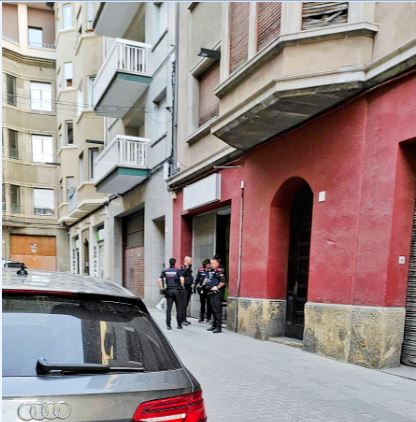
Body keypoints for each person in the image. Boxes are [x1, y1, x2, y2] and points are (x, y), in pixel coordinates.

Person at [157, 258, 185, 330]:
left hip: (169, 291)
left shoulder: (165, 271)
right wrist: (182, 286)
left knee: (168, 309)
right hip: (177, 291)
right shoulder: (177, 270)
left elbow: (159, 280)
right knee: (179, 308)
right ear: (175, 263)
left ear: (169, 263)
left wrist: (162, 289)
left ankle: (168, 325)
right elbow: (182, 279)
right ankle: (179, 325)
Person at [205, 256, 226, 333]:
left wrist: (217, 287)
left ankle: (218, 327)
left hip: (217, 293)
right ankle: (214, 325)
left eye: (213, 263)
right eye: (211, 263)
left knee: (217, 311)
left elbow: (222, 282)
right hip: (211, 293)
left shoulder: (219, 271)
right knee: (213, 310)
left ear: (217, 263)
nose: (211, 264)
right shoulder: (212, 271)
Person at [194, 258, 212, 323]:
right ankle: (201, 317)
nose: (209, 265)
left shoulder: (211, 270)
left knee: (209, 304)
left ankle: (208, 317)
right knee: (202, 303)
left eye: (209, 264)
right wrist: (194, 286)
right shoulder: (201, 270)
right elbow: (197, 278)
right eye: (208, 264)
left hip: (209, 289)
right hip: (202, 289)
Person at [180, 256, 194, 325]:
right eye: (190, 260)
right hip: (184, 289)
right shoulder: (183, 268)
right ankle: (182, 320)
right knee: (183, 304)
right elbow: (181, 275)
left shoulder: (189, 268)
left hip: (189, 288)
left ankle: (184, 319)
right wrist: (186, 268)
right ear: (186, 260)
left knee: (186, 304)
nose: (191, 261)